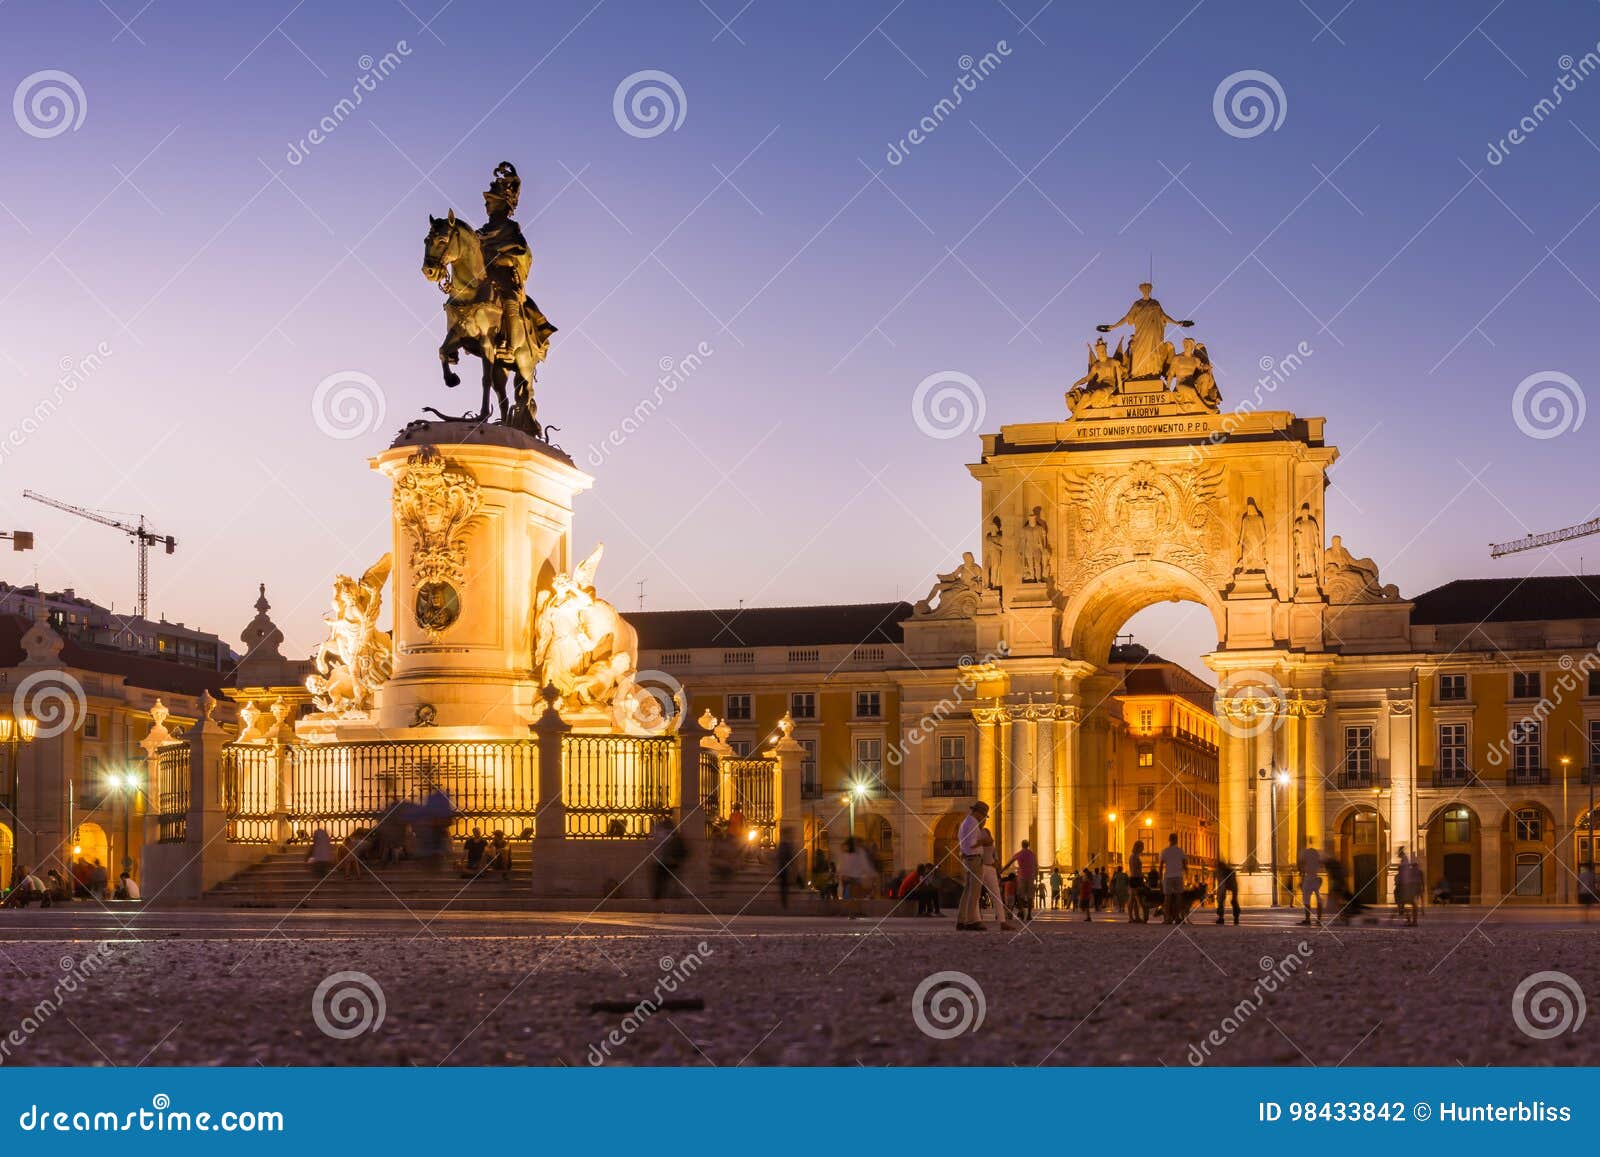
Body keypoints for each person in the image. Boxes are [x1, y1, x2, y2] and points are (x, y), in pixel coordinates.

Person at [956, 801, 990, 931]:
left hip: (968, 859)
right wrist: (983, 841)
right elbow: (972, 844)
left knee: (967, 892)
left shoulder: (966, 822)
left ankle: (961, 920)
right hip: (974, 859)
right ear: (978, 813)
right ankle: (970, 921)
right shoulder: (972, 823)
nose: (983, 818)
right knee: (974, 893)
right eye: (983, 815)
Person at [976, 823, 1015, 930]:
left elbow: (996, 859)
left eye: (987, 835)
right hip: (981, 868)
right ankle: (978, 920)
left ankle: (1002, 921)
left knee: (995, 895)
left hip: (989, 869)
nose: (987, 837)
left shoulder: (991, 847)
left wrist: (995, 866)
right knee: (977, 896)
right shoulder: (978, 845)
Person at [1003, 840, 1038, 924]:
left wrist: (1002, 870)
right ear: (1028, 845)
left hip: (1022, 877)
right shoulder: (1033, 854)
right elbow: (1036, 866)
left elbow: (1009, 862)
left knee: (1019, 895)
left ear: (1022, 845)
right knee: (1030, 897)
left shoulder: (1019, 853)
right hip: (1031, 877)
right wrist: (1036, 876)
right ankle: (1029, 914)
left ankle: (1021, 910)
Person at [1159, 833, 1186, 924]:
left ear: (1169, 840)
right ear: (1176, 840)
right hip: (1178, 876)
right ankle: (1177, 917)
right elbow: (1185, 864)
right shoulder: (1180, 851)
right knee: (1178, 897)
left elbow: (1161, 865)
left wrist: (1160, 878)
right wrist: (1185, 873)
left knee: (1167, 898)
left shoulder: (1165, 851)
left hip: (1168, 877)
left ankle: (1167, 918)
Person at [1297, 838, 1323, 926]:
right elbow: (1320, 863)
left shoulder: (1304, 853)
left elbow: (1301, 866)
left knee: (1306, 900)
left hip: (1308, 878)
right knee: (1319, 898)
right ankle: (1319, 920)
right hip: (1315, 877)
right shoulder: (1316, 852)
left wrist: (1302, 879)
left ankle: (1308, 919)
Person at [1214, 856, 1240, 925]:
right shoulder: (1231, 871)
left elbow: (1221, 884)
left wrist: (1219, 896)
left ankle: (1221, 917)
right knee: (1234, 901)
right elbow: (1234, 884)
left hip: (1227, 885)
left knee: (1221, 901)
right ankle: (1236, 918)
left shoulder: (1219, 871)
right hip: (1233, 885)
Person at [1126, 840, 1146, 923]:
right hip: (1135, 879)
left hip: (1136, 878)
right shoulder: (1134, 856)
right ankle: (1131, 917)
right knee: (1134, 899)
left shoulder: (1135, 856)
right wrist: (1141, 877)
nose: (1143, 849)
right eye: (1142, 847)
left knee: (1134, 899)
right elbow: (1135, 870)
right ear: (1138, 847)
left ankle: (1136, 916)